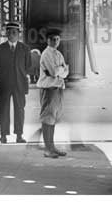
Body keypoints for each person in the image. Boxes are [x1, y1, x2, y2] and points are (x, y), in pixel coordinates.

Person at [0, 21, 31, 143]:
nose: (12, 34)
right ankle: (3, 136)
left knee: (19, 110)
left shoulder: (25, 49)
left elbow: (28, 65)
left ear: (18, 34)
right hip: (4, 84)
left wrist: (21, 76)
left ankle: (19, 135)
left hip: (20, 84)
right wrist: (3, 76)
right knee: (3, 110)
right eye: (9, 32)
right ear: (6, 33)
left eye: (14, 32)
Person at [37, 27, 69, 158]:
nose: (55, 41)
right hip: (49, 89)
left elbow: (66, 73)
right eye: (52, 39)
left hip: (57, 88)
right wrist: (61, 69)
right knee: (47, 119)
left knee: (53, 119)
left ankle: (52, 147)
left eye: (57, 39)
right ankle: (48, 149)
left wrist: (61, 70)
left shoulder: (58, 54)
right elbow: (53, 72)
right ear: (47, 40)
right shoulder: (46, 54)